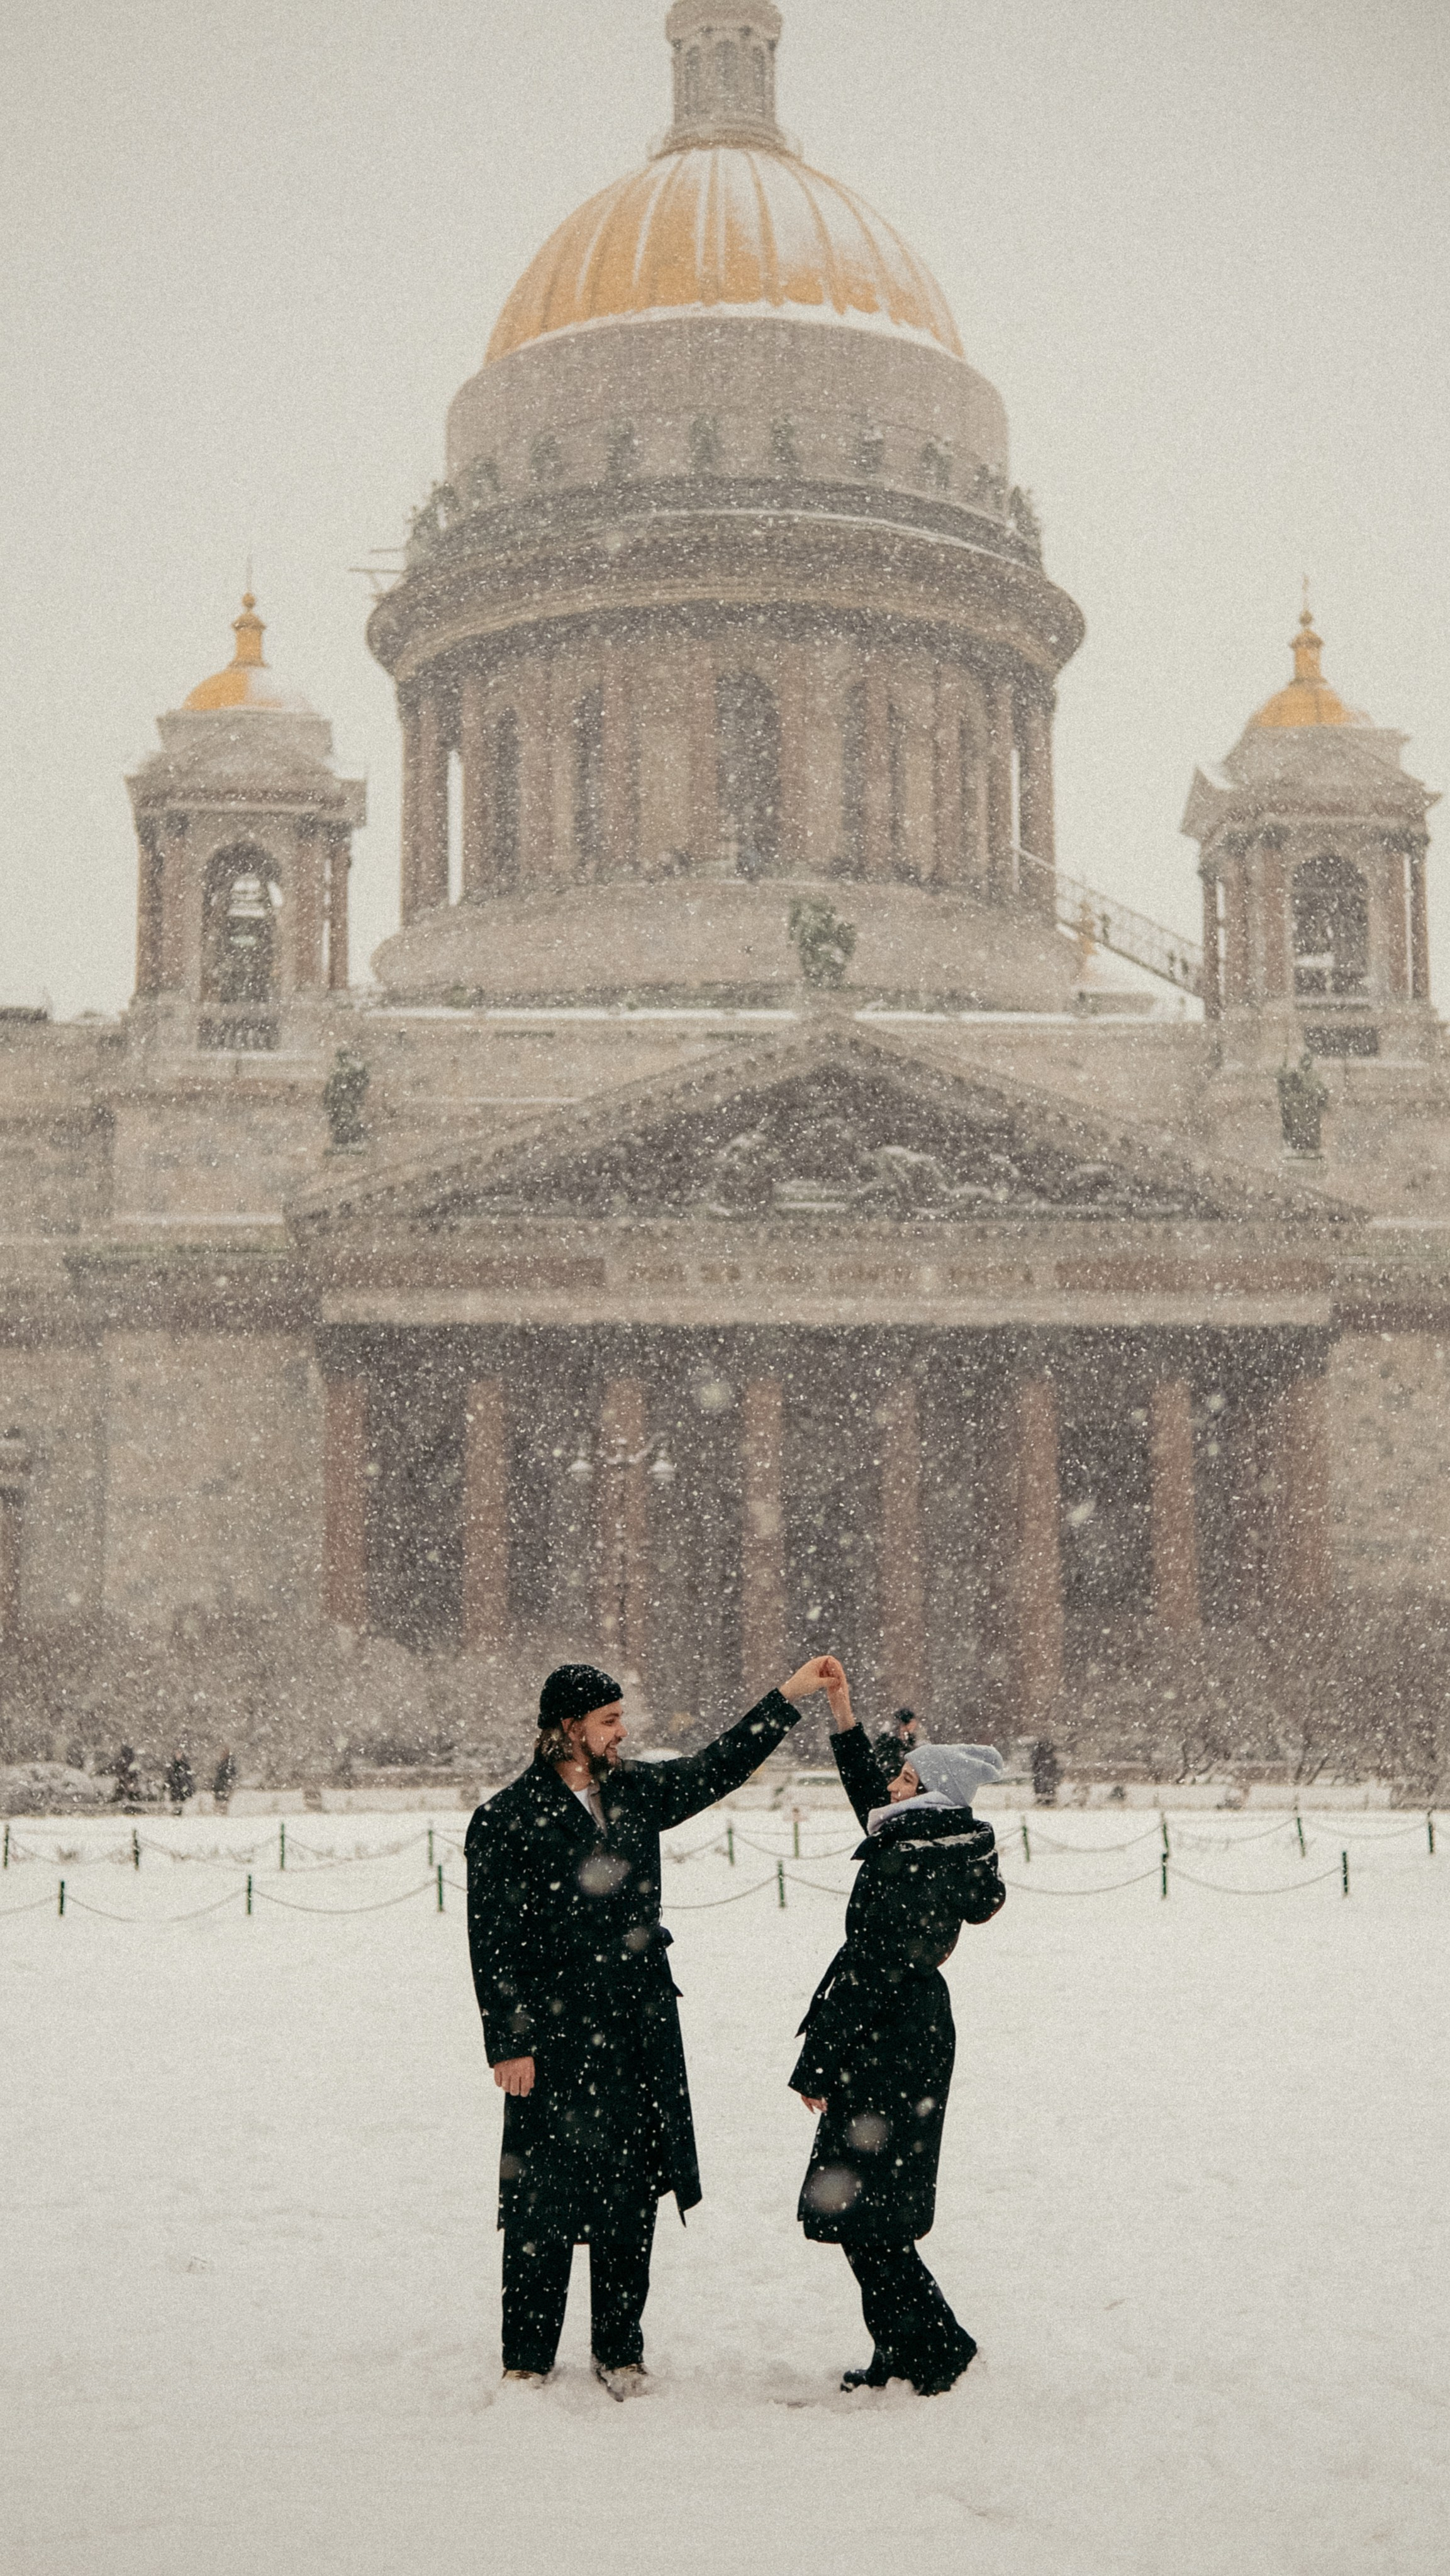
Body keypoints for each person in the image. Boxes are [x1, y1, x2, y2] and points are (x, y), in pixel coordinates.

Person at [466, 1652, 843, 2394]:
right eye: (609, 1720)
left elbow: (715, 1768)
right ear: (568, 1728)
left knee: (629, 2193)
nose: (622, 1731)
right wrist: (509, 2042)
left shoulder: (633, 1791)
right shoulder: (505, 1819)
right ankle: (527, 2357)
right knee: (541, 2200)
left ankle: (620, 2350)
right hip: (555, 2035)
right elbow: (493, 1942)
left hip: (638, 2025)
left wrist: (789, 1696)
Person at [789, 1667, 1006, 2397]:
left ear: (931, 1791)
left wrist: (816, 2065)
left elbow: (868, 1971)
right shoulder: (924, 1840)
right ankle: (906, 2346)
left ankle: (937, 2348)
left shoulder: (904, 1860)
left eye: (906, 1775)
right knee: (875, 2210)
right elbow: (866, 1788)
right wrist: (842, 1709)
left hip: (885, 2037)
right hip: (913, 2033)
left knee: (865, 2214)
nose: (892, 1780)